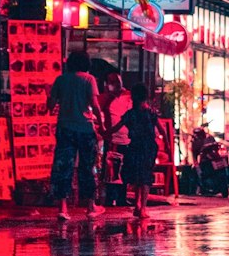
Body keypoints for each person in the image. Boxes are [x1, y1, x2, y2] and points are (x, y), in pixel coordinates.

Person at [45, 50, 105, 220]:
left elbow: (50, 106)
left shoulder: (61, 80)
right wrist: (101, 124)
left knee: (64, 166)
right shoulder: (89, 79)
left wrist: (48, 94)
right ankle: (91, 206)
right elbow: (94, 104)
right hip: (85, 129)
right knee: (88, 167)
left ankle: (63, 208)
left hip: (65, 128)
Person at [110, 82, 163, 220]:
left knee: (138, 176)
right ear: (145, 97)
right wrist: (167, 145)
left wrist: (105, 132)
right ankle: (142, 207)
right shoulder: (150, 114)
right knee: (145, 178)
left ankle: (138, 206)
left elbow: (117, 127)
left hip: (134, 147)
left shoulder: (131, 114)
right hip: (148, 147)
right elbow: (161, 129)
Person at [99, 71, 132, 206]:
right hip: (112, 138)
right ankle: (110, 197)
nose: (115, 85)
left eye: (117, 82)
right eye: (112, 82)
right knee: (110, 168)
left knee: (125, 168)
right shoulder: (105, 98)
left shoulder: (128, 96)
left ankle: (121, 197)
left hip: (126, 137)